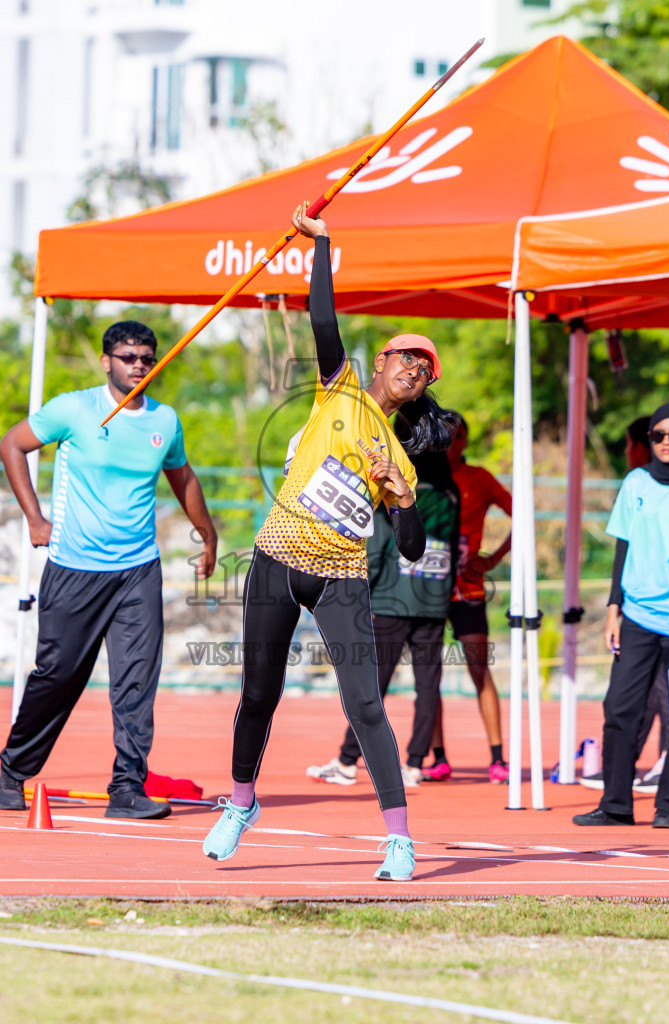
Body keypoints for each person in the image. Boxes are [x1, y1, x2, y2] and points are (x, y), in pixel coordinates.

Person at [202, 202, 450, 881]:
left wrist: (401, 499)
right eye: (408, 359)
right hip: (279, 559)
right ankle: (243, 803)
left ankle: (398, 838)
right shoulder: (339, 390)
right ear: (383, 362)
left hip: (340, 577)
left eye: (425, 372)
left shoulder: (398, 461)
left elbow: (406, 547)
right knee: (258, 694)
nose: (416, 371)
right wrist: (322, 246)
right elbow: (322, 321)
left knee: (364, 704)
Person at [0, 321, 217, 819]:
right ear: (107, 361)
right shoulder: (74, 409)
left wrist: (208, 535)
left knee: (137, 682)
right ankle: (10, 772)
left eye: (146, 358)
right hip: (75, 568)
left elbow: (182, 479)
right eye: (127, 357)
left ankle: (127, 789)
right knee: (58, 676)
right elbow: (12, 444)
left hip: (138, 569)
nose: (138, 365)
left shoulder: (165, 419)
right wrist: (36, 516)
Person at [306, 443, 460, 788]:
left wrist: (364, 593)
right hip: (434, 599)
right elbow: (454, 543)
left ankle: (348, 760)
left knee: (373, 684)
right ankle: (416, 763)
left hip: (392, 598)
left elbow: (377, 547)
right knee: (428, 685)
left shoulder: (399, 492)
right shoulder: (452, 495)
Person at [573, 402, 669, 828]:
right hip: (637, 617)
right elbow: (623, 548)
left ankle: (668, 806)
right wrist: (614, 608)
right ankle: (616, 805)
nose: (667, 443)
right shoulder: (636, 482)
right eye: (659, 436)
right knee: (619, 709)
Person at [422, 411, 512, 784]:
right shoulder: (420, 478)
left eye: (459, 436)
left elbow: (522, 515)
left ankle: (497, 759)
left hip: (468, 589)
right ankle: (438, 757)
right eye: (446, 436)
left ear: (466, 442)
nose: (452, 443)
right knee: (428, 675)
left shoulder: (479, 479)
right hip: (425, 587)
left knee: (479, 669)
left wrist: (493, 557)